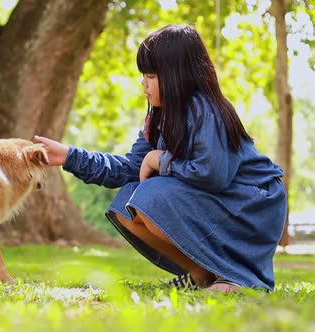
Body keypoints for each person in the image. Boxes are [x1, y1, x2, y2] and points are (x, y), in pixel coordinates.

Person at [34, 24, 287, 293]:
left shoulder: (205, 110)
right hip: (222, 199)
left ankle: (238, 278)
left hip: (252, 201)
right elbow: (130, 170)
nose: (144, 84)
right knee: (127, 201)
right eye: (144, 75)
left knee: (150, 193)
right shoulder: (158, 118)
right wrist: (70, 157)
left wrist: (160, 160)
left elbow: (212, 174)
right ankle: (201, 272)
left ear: (177, 76)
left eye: (151, 76)